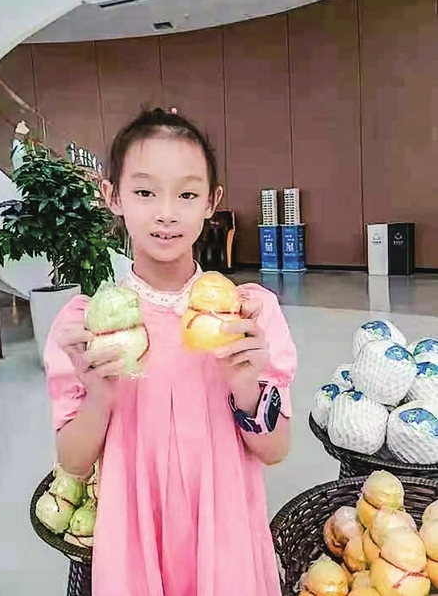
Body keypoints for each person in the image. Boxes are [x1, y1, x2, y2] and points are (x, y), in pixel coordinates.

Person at [43, 107, 297, 596]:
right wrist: (99, 395)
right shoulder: (88, 326)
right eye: (144, 192)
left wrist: (246, 385)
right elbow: (73, 460)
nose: (166, 212)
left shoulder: (248, 315)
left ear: (211, 202)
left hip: (224, 537)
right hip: (135, 539)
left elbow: (276, 450)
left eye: (186, 194)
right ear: (112, 196)